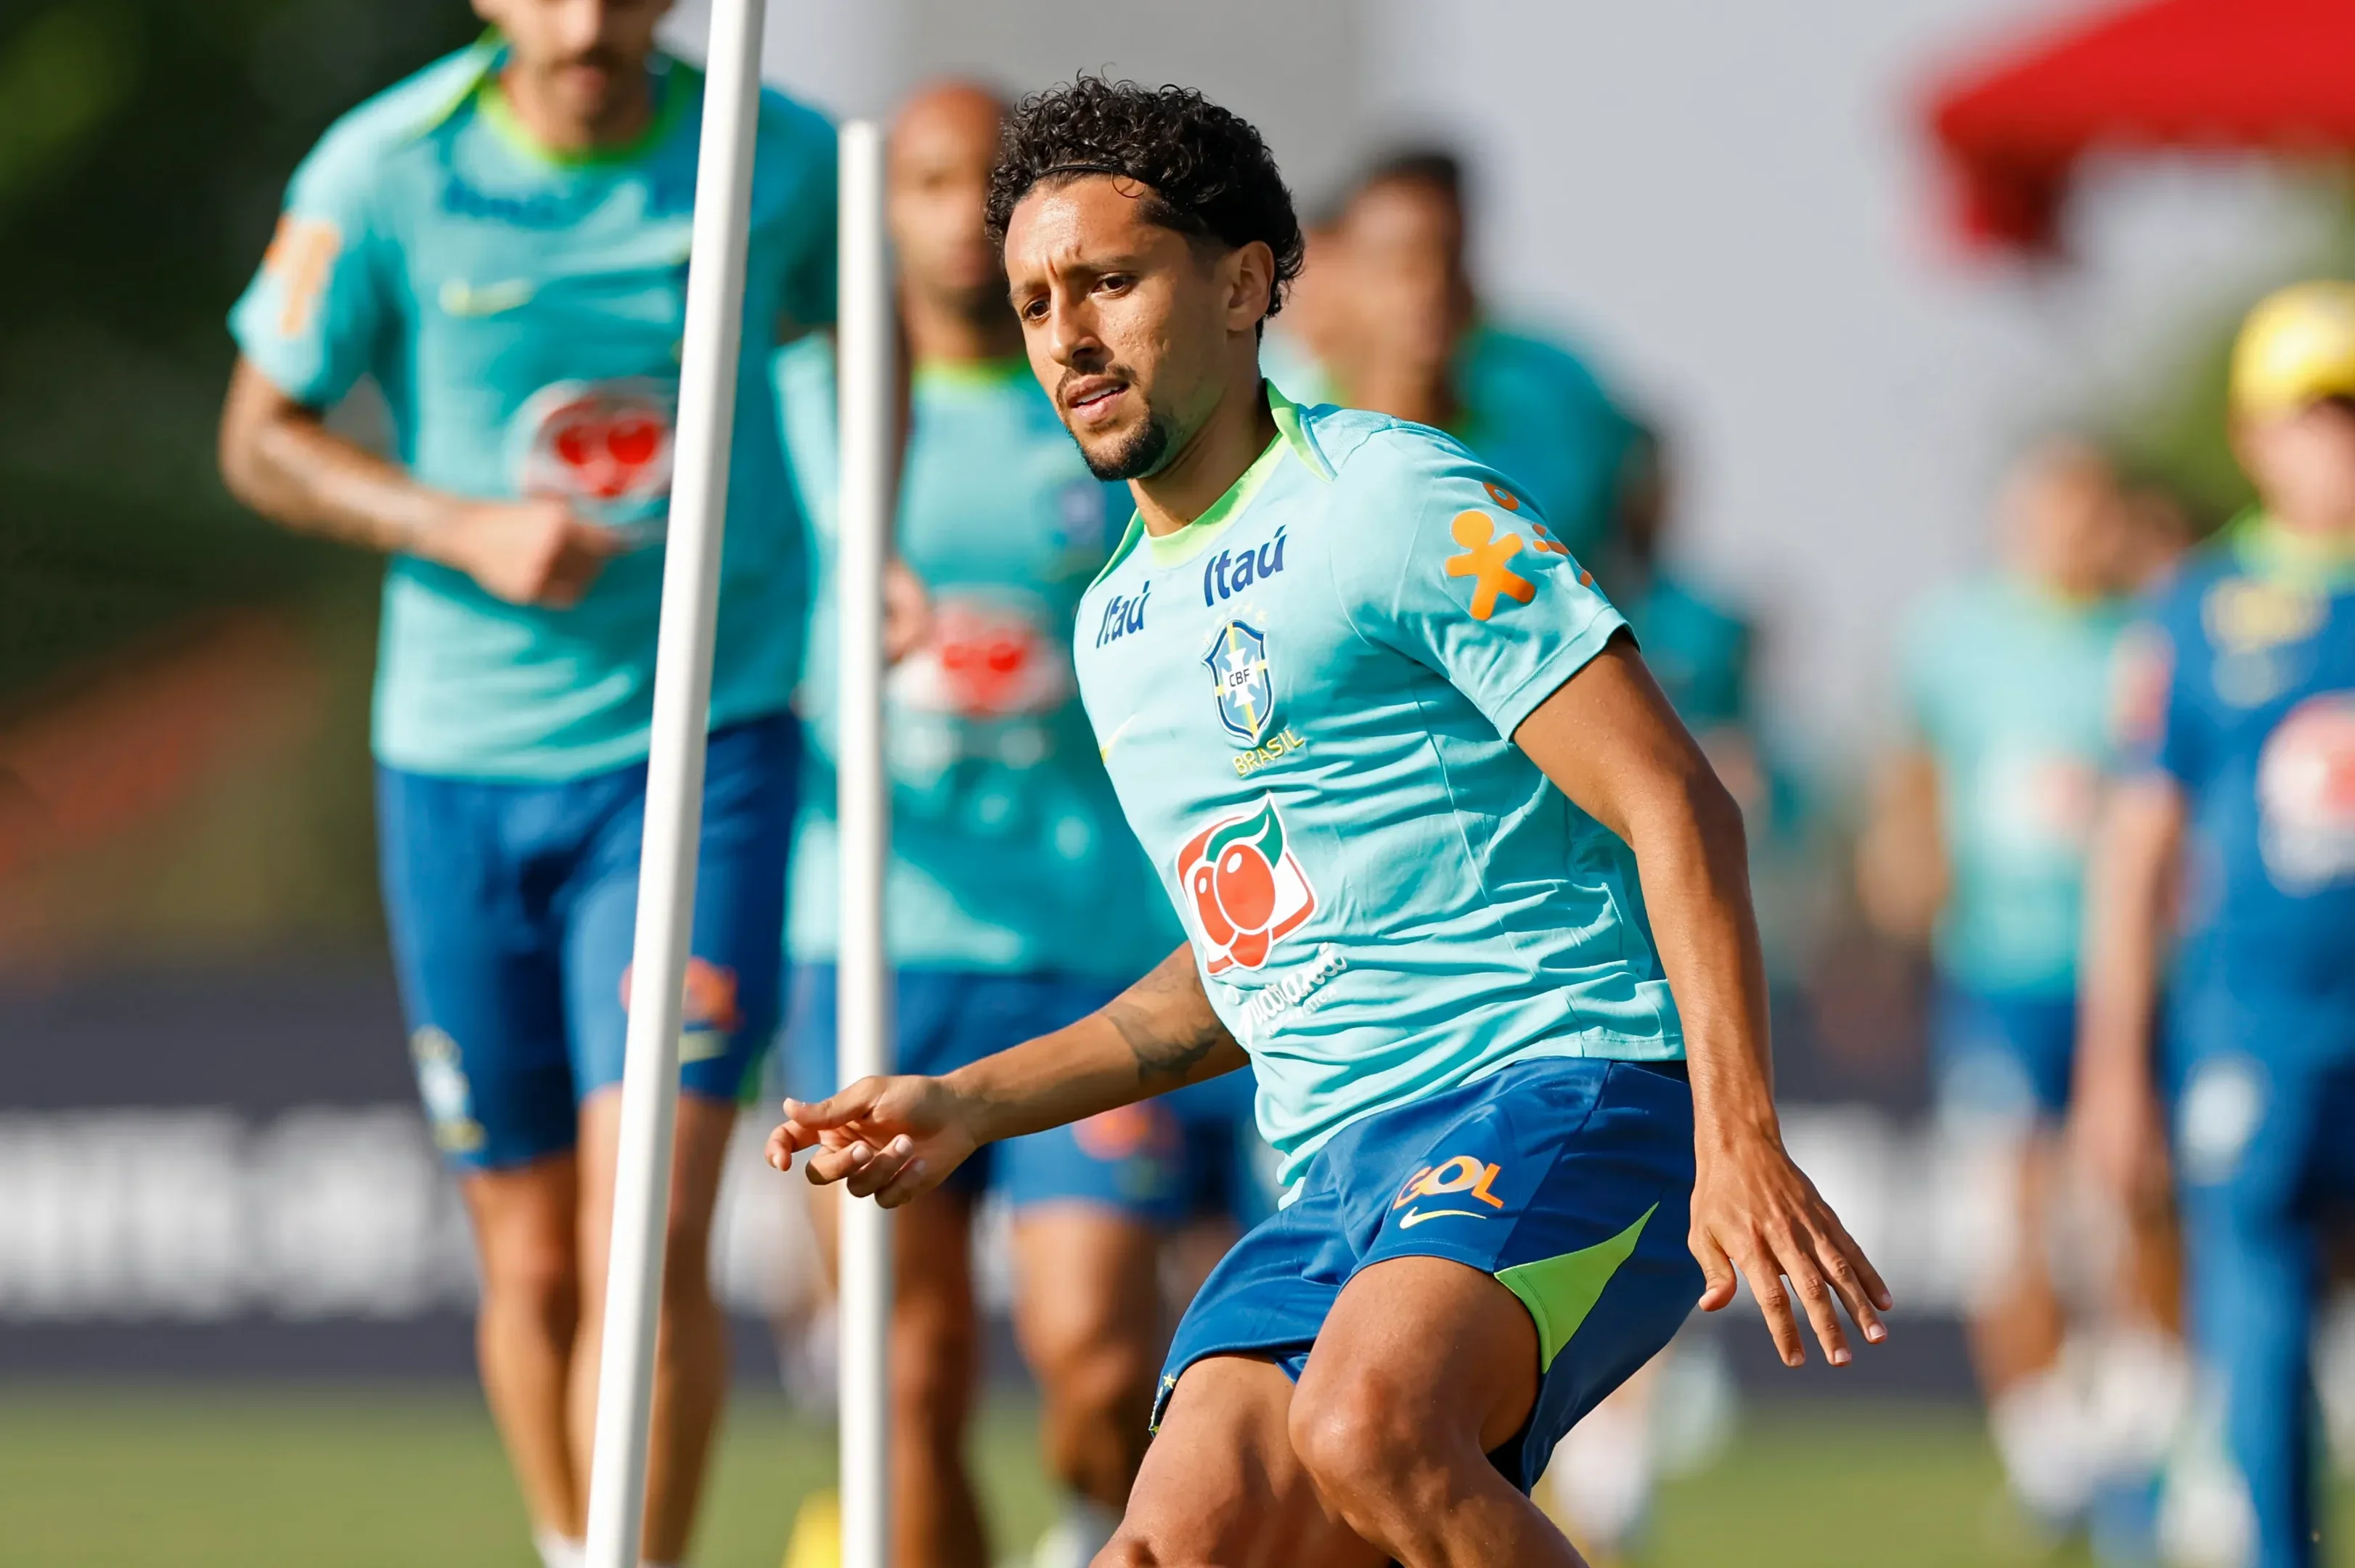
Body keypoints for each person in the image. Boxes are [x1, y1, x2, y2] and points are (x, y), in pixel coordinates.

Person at [767, 76, 1889, 1567]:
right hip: (1341, 1170)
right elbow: (1240, 969)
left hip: (1559, 1090)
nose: (1069, 336)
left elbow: (1677, 802)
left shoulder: (1393, 499)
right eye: (1038, 300)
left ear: (1242, 286)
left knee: (1369, 1425)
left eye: (1110, 280)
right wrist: (971, 1102)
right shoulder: (1114, 627)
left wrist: (1736, 1134)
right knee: (1156, 1550)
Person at [215, 5, 836, 1564]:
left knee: (648, 1236)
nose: (584, 22)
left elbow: (867, 349)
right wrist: (456, 526)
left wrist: (864, 531)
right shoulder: (383, 171)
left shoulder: (778, 153)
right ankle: (578, 1546)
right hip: (456, 764)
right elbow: (262, 441)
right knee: (540, 1265)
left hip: (701, 745)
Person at [771, 81, 1265, 1568]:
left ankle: (1087, 1528)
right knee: (902, 1382)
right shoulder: (802, 402)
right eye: (922, 184)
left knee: (1097, 1358)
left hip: (1085, 942)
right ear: (880, 213)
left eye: (982, 187)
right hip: (865, 942)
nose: (954, 218)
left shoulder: (1105, 399)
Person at [1858, 438, 2187, 1549]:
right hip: (1997, 969)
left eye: (2088, 509)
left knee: (2137, 1196)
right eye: (2049, 509)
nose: (2069, 530)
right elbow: (1914, 772)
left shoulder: (2150, 637)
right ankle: (2048, 1444)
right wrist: (1900, 884)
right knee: (2013, 1207)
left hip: (2127, 977)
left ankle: (2149, 1418)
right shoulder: (1955, 636)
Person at [2075, 281, 2355, 1568]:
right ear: (2252, 435)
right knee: (2251, 1301)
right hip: (2253, 1024)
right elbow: (2135, 848)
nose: (2337, 438)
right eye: (2314, 412)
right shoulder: (2194, 613)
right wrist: (2109, 1068)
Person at [1309, 147, 1638, 565]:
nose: (1429, 288)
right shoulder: (1289, 437)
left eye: (1449, 258)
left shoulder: (1546, 418)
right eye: (1399, 264)